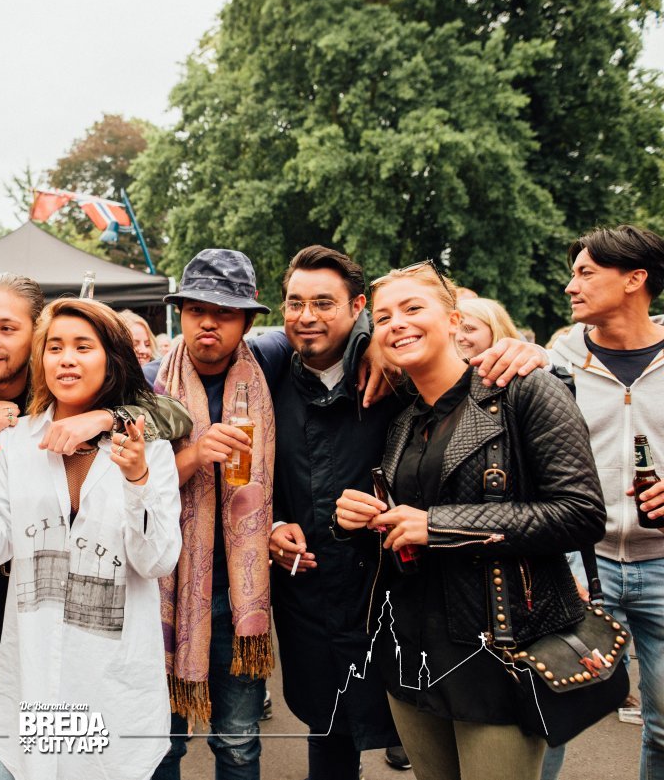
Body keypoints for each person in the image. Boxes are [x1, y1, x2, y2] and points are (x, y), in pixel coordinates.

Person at [0, 274, 192, 780]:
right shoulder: (16, 442)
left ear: (111, 359)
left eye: (83, 347)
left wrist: (136, 479)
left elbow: (157, 561)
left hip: (112, 685)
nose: (66, 359)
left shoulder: (145, 449)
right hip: (34, 679)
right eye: (55, 347)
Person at [334, 261, 605, 780]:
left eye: (413, 308)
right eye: (384, 317)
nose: (397, 323)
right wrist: (357, 522)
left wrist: (437, 525)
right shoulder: (405, 420)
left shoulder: (525, 389)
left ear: (454, 319)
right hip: (411, 652)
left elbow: (581, 514)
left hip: (498, 652)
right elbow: (403, 535)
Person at [265, 246, 405, 778]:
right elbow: (255, 480)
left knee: (426, 733)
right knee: (327, 733)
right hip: (310, 596)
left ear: (357, 307)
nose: (306, 316)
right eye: (295, 302)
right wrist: (274, 526)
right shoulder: (267, 380)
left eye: (324, 303)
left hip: (394, 594)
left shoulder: (398, 376)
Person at [149, 249, 276, 780]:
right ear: (180, 314)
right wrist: (195, 455)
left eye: (224, 312)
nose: (208, 322)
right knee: (161, 744)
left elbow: (343, 342)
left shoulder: (271, 371)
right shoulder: (150, 383)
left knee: (239, 743)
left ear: (246, 321)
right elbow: (130, 490)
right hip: (165, 590)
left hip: (240, 594)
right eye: (197, 309)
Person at [547, 225, 664, 779]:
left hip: (662, 565)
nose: (571, 285)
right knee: (548, 717)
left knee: (663, 729)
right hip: (579, 563)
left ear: (635, 279)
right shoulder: (556, 363)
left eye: (586, 273)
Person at [455, 297, 521, 360]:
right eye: (454, 330)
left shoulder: (522, 365)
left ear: (496, 331)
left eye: (468, 329)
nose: (457, 338)